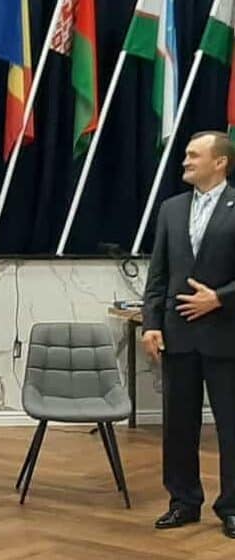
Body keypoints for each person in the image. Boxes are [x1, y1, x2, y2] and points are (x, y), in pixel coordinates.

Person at [143, 130, 235, 538]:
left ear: (220, 162)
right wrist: (151, 324)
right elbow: (158, 274)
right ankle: (183, 502)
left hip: (226, 336)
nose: (185, 161)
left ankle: (232, 507)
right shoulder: (171, 209)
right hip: (177, 335)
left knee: (231, 426)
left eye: (194, 155)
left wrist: (220, 298)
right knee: (178, 426)